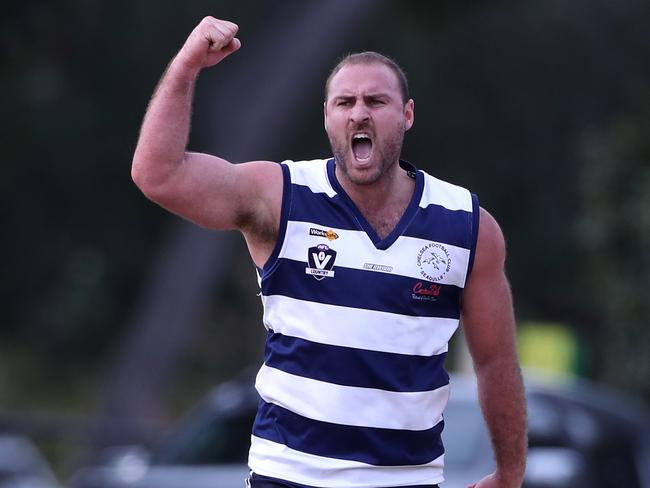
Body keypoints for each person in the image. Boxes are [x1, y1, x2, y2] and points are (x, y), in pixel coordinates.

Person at [131, 16, 527, 488]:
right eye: (345, 102)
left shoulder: (465, 224)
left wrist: (510, 472)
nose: (359, 113)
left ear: (407, 115)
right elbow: (157, 174)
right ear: (327, 117)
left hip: (405, 481)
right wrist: (187, 64)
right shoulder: (281, 196)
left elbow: (496, 360)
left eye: (376, 101)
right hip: (289, 477)